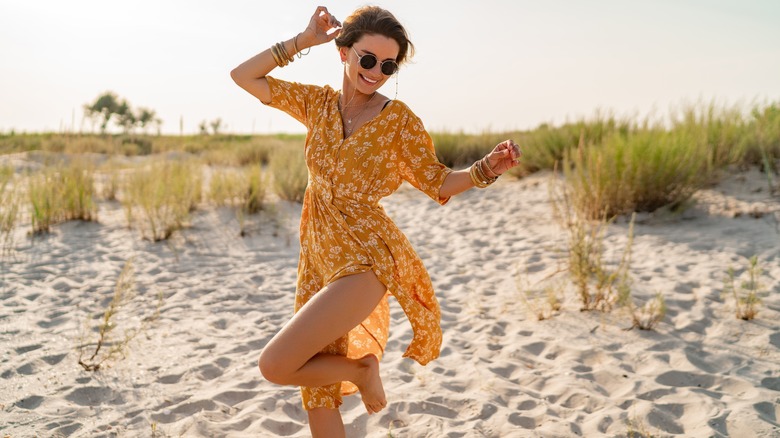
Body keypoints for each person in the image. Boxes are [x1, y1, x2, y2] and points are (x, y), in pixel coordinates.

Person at [231, 5, 522, 437]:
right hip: (318, 256)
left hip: (365, 259)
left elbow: (438, 182)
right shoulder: (316, 104)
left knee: (275, 364)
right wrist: (303, 41)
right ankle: (358, 371)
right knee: (318, 393)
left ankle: (363, 371)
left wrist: (486, 168)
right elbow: (243, 76)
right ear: (344, 53)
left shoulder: (398, 122)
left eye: (388, 65)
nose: (377, 71)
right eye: (368, 59)